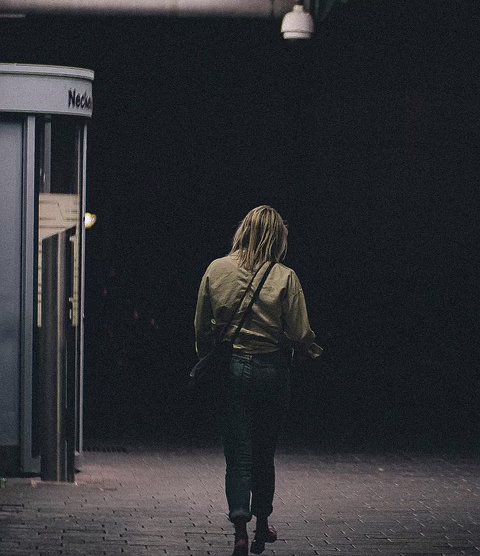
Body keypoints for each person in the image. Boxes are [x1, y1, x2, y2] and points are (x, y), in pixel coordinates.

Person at [194, 205, 322, 556]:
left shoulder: (216, 269)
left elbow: (201, 327)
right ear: (277, 238)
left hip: (231, 370)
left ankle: (240, 529)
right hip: (272, 370)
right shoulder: (286, 277)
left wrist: (210, 357)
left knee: (237, 456)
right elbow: (300, 332)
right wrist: (308, 352)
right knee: (264, 453)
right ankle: (262, 525)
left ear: (244, 231)